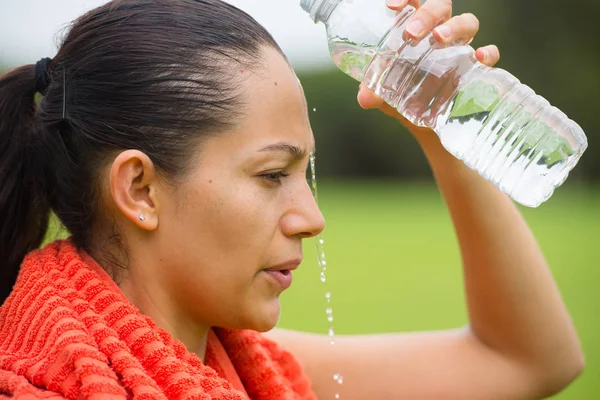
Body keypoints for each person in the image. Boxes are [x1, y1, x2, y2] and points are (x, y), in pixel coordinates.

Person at [0, 0, 584, 398]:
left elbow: (530, 360)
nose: (313, 219)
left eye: (307, 172)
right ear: (139, 189)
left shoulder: (251, 369)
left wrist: (438, 117)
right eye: (273, 174)